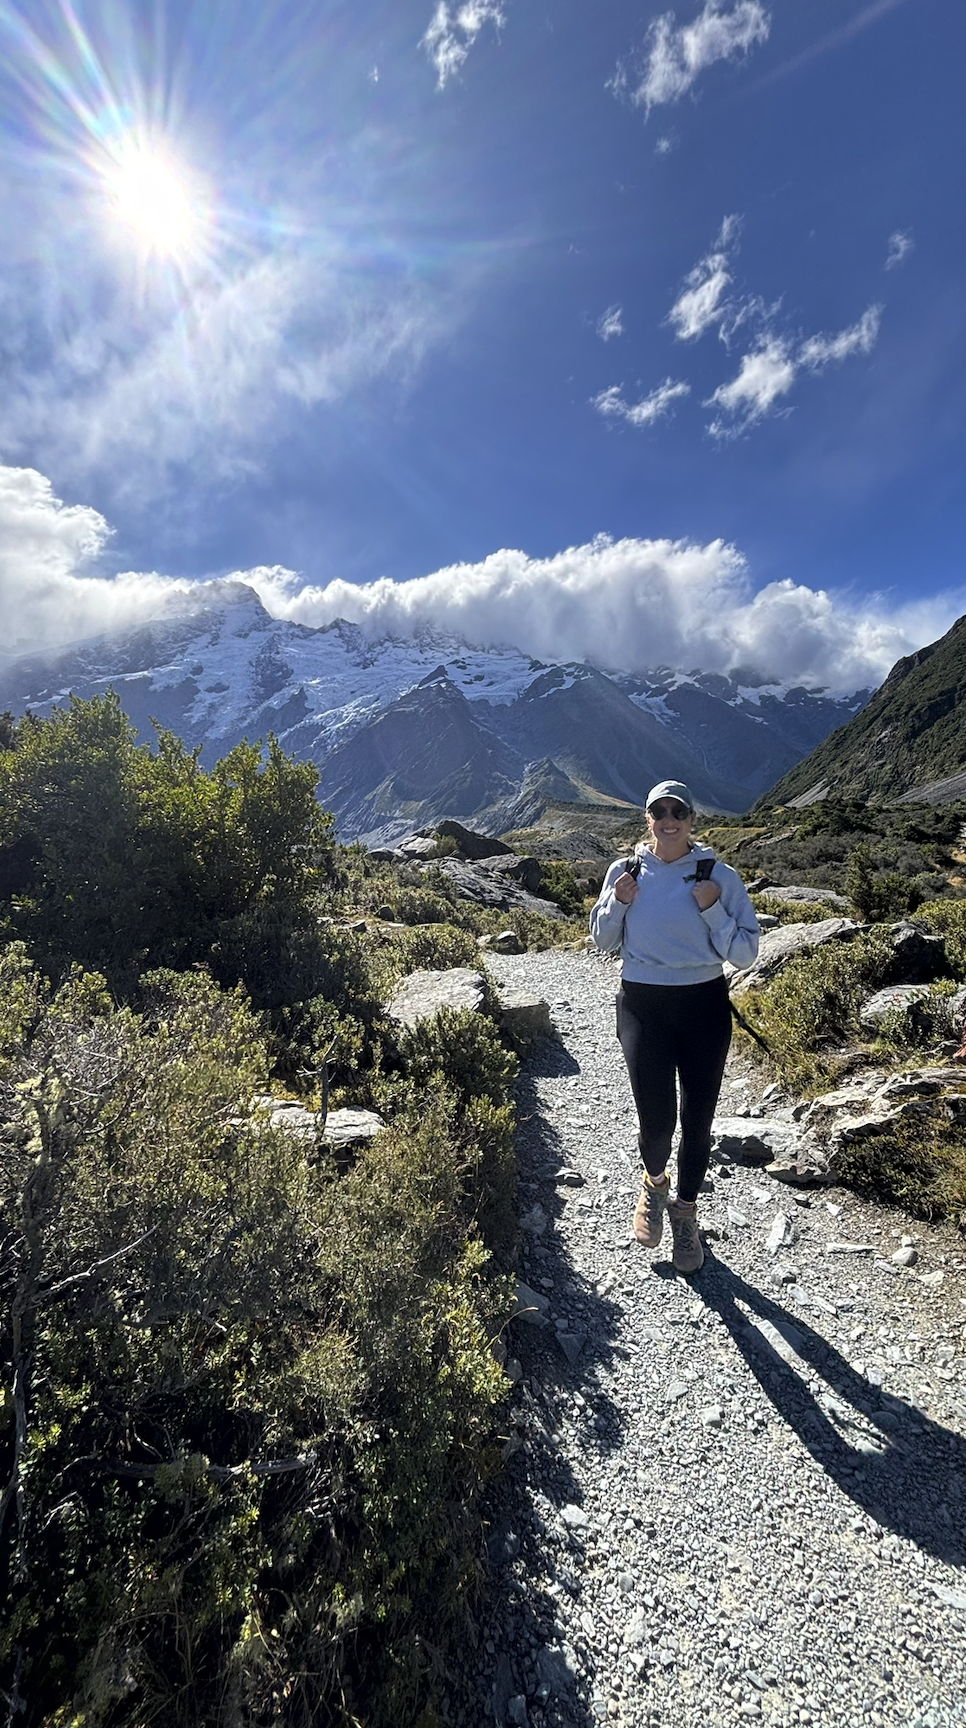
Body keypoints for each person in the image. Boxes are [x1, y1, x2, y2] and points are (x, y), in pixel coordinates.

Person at [589, 780, 759, 1274]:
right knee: (657, 1120)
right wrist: (619, 902)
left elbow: (746, 953)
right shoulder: (624, 872)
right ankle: (654, 1184)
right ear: (647, 817)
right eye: (659, 810)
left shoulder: (718, 876)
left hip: (704, 1005)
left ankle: (686, 1213)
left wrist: (712, 909)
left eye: (677, 811)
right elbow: (602, 940)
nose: (668, 819)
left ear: (690, 818)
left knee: (699, 1121)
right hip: (642, 1004)